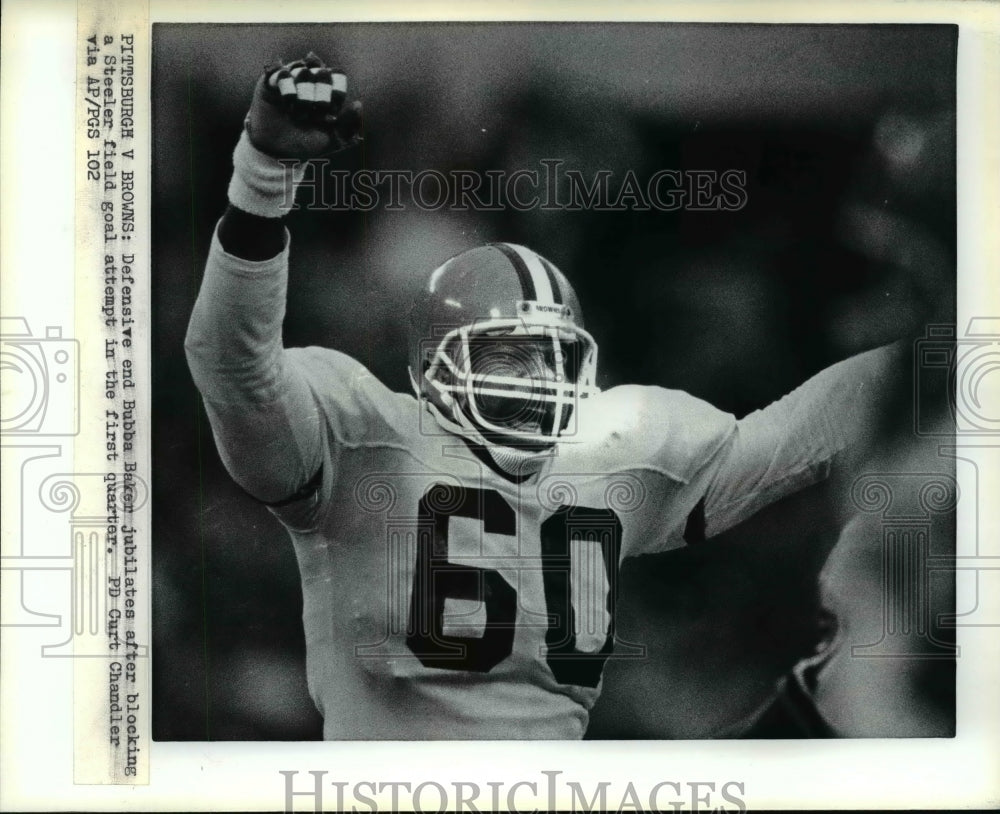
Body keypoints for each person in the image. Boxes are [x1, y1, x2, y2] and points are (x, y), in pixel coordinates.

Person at [185, 53, 899, 739]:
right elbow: (232, 363)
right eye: (507, 356)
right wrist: (262, 179)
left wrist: (944, 354)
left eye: (552, 358)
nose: (533, 380)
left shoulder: (612, 451)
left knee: (829, 698)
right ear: (432, 369)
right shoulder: (363, 439)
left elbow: (792, 437)